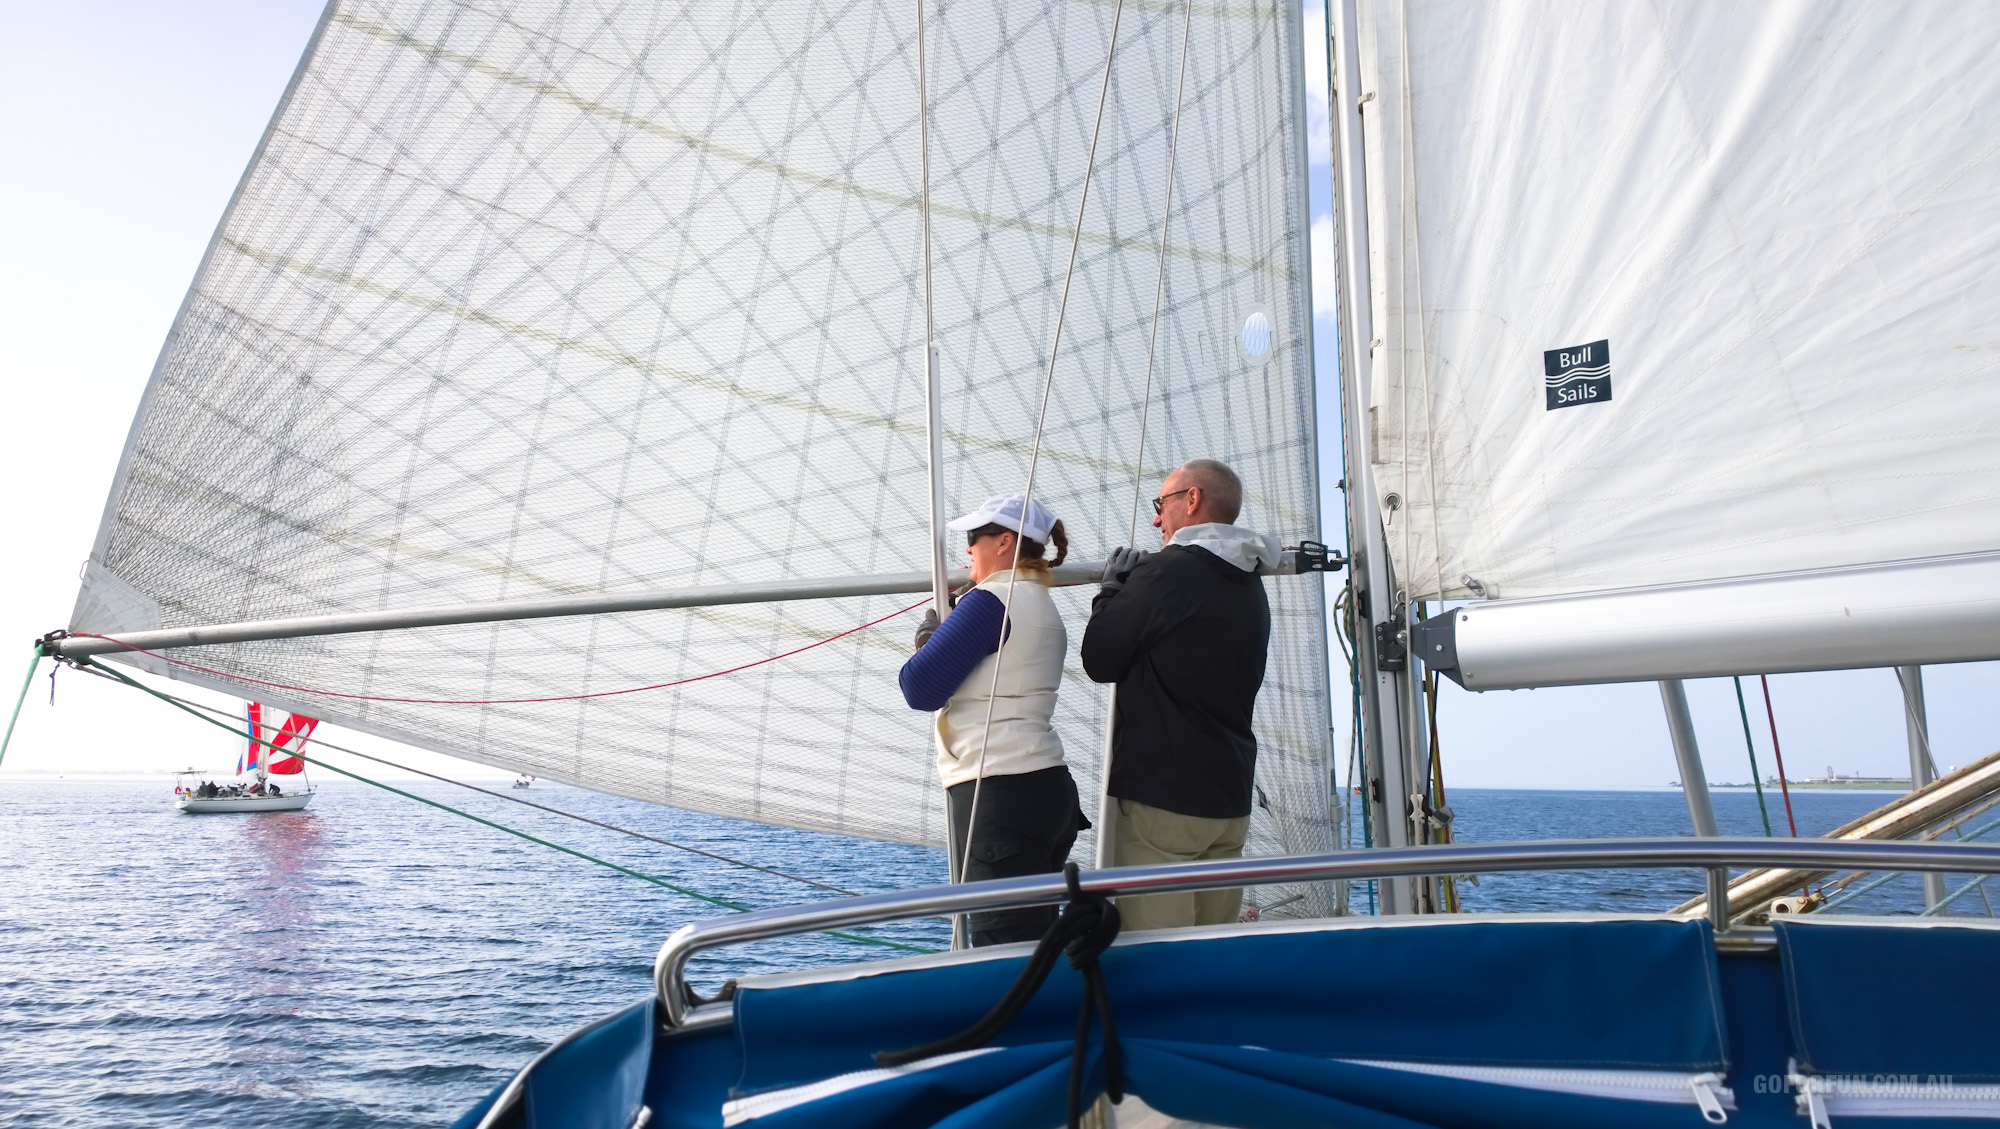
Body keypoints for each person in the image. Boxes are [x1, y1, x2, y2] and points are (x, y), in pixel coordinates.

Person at [1082, 458, 1275, 931]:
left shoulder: (1165, 572)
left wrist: (1110, 591)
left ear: (1191, 500)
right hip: (1228, 801)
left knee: (1158, 959)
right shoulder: (1250, 582)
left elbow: (1099, 659)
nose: (1155, 519)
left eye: (1161, 504)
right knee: (1209, 954)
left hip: (1164, 805)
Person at [899, 493, 1082, 946]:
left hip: (999, 795)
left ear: (1004, 543)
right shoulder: (1040, 602)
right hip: (1044, 791)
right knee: (1034, 945)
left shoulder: (992, 600)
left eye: (974, 537)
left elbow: (919, 688)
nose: (967, 550)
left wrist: (928, 637)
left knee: (1004, 954)